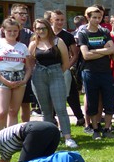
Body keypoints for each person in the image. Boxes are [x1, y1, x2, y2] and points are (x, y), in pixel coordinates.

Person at [28, 18, 77, 149]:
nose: (41, 31)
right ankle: (49, 137)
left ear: (48, 28)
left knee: (60, 108)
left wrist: (56, 72)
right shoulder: (33, 44)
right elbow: (30, 62)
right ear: (35, 30)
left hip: (56, 74)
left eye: (43, 28)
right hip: (39, 76)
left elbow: (66, 62)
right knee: (45, 109)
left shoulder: (58, 41)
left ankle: (68, 137)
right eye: (38, 28)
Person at [77, 6, 114, 140]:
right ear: (88, 17)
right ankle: (95, 130)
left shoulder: (104, 31)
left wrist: (94, 51)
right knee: (92, 102)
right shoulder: (83, 34)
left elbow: (112, 50)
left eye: (99, 17)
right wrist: (103, 50)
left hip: (105, 72)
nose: (97, 20)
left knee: (109, 101)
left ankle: (107, 129)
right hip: (90, 72)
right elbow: (86, 55)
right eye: (94, 17)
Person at [0, 17, 31, 135]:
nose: (12, 33)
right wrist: (4, 80)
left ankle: (10, 139)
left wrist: (25, 80)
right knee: (1, 112)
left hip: (19, 79)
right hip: (2, 78)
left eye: (15, 31)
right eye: (9, 31)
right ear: (3, 30)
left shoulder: (22, 46)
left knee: (13, 112)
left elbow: (28, 67)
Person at [0, 4, 36, 122]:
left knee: (25, 104)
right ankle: (6, 130)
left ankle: (26, 129)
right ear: (13, 15)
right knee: (6, 108)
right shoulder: (4, 31)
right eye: (21, 14)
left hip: (24, 74)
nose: (24, 16)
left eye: (26, 14)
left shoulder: (29, 33)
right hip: (6, 74)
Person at [50, 10, 84, 126]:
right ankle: (52, 119)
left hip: (64, 70)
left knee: (71, 94)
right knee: (51, 95)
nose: (60, 22)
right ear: (51, 20)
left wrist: (66, 67)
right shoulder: (46, 34)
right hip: (48, 69)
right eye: (57, 20)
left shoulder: (68, 36)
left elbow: (75, 54)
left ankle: (80, 117)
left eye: (62, 20)